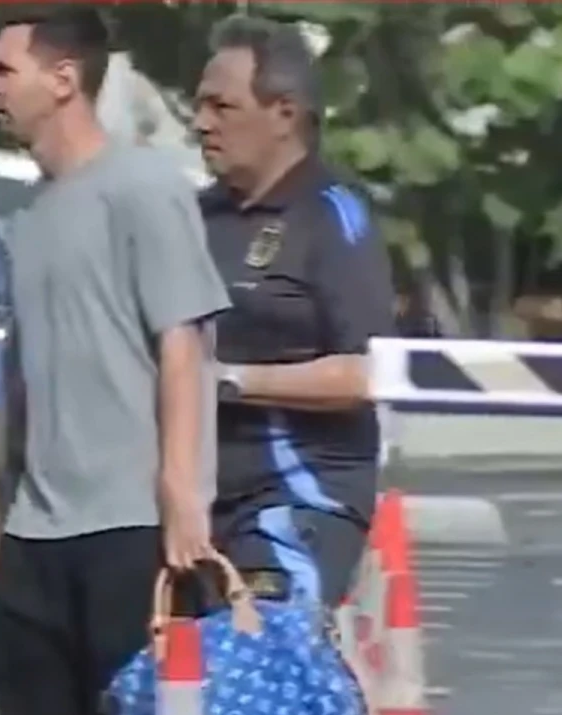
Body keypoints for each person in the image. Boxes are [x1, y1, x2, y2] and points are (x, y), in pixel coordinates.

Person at [0, 6, 231, 715]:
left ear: (64, 80)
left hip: (129, 526)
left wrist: (180, 490)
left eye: (3, 70)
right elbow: (25, 375)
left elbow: (182, 346)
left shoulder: (144, 188)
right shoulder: (25, 216)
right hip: (36, 530)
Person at [193, 15, 396, 613]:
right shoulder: (193, 217)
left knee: (259, 673)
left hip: (296, 498)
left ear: (284, 112)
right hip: (191, 504)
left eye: (221, 106)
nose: (200, 123)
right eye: (198, 106)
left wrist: (228, 381)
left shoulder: (334, 218)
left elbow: (366, 372)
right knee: (169, 694)